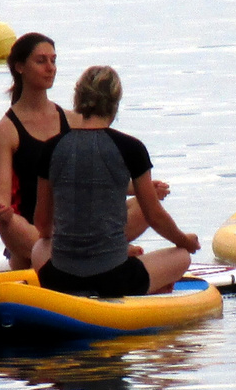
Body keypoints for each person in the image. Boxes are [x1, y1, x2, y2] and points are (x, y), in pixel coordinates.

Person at [0, 33, 163, 269]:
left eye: (53, 60)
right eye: (41, 61)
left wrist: (142, 189)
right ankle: (102, 253)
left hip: (77, 228)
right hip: (36, 230)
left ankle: (99, 250)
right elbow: (1, 195)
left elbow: (96, 177)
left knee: (147, 204)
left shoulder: (73, 120)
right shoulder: (6, 130)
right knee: (8, 224)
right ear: (20, 67)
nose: (50, 68)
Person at [32, 66, 199, 297]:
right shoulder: (131, 148)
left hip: (59, 279)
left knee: (40, 247)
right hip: (115, 280)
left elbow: (42, 223)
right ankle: (148, 287)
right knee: (181, 256)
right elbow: (155, 216)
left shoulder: (51, 148)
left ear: (78, 99)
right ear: (115, 102)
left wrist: (74, 248)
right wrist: (186, 240)